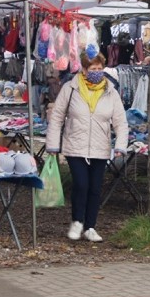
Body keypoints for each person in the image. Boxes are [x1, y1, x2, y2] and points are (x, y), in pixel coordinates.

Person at [46, 50, 129, 242]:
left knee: (95, 188)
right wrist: (52, 145)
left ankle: (90, 226)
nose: (97, 72)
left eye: (100, 68)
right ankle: (77, 221)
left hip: (100, 147)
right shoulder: (70, 88)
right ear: (83, 69)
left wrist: (121, 145)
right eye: (93, 68)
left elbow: (121, 122)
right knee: (81, 184)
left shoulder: (111, 91)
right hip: (75, 144)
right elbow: (57, 116)